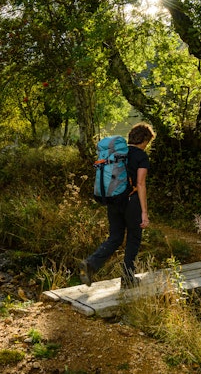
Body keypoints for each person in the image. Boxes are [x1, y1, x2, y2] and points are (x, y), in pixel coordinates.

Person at [79, 122, 155, 288]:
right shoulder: (141, 156)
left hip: (113, 200)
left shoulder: (119, 153)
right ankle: (128, 278)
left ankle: (91, 263)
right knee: (134, 238)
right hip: (131, 202)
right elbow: (140, 184)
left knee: (115, 237)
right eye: (147, 142)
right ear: (144, 140)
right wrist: (144, 212)